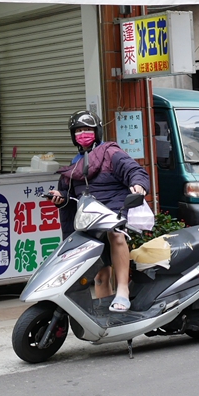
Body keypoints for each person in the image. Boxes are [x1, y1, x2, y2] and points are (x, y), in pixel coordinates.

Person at [48, 111, 149, 313]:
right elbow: (70, 198)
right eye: (78, 130)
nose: (83, 134)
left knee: (116, 236)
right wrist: (60, 199)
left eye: (87, 129)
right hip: (89, 221)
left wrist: (138, 185)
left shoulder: (111, 153)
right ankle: (107, 319)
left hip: (114, 211)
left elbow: (135, 171)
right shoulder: (75, 164)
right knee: (101, 276)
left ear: (97, 131)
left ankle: (122, 291)